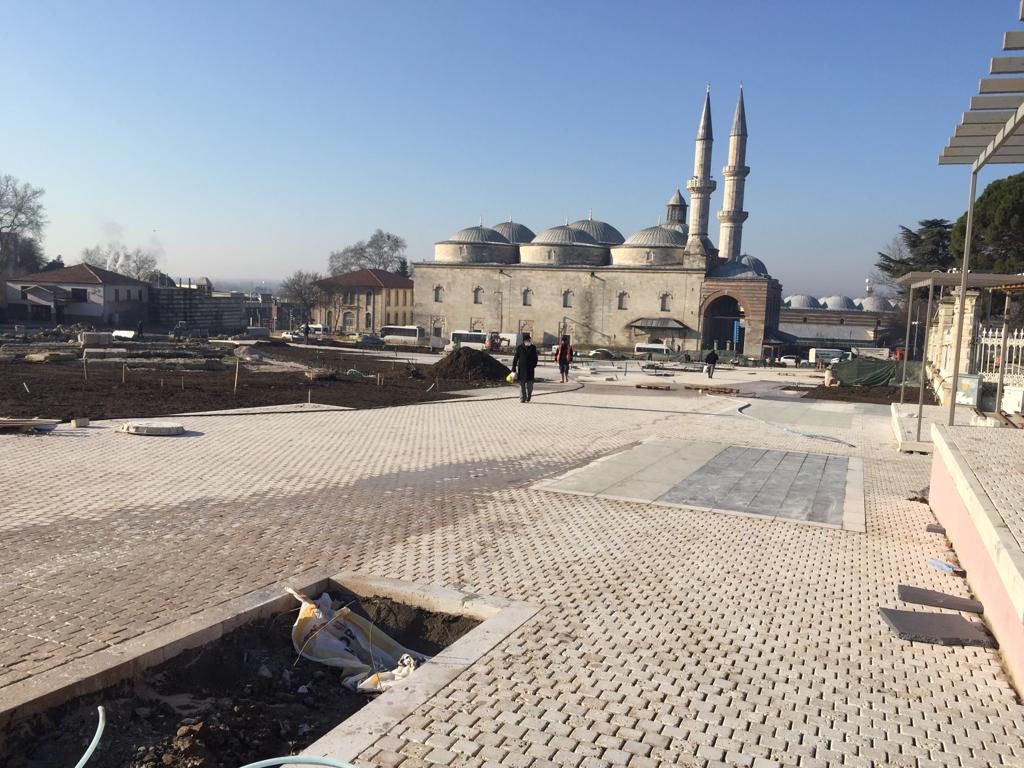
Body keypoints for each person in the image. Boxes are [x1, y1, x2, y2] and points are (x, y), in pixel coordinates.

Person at [511, 333, 539, 402]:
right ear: (524, 341)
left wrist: (534, 365)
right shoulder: (520, 347)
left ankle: (529, 396)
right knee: (522, 385)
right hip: (522, 369)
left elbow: (536, 358)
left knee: (530, 386)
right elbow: (515, 358)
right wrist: (513, 368)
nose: (528, 341)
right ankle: (522, 398)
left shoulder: (533, 347)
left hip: (530, 370)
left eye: (529, 340)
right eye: (527, 340)